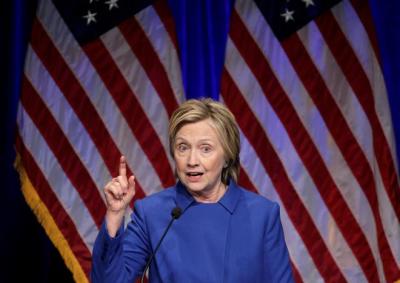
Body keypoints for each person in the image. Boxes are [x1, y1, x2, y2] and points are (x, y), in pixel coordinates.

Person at [91, 98, 294, 282]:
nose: (192, 161)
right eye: (183, 147)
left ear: (227, 157)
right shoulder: (152, 213)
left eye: (205, 149)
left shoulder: (262, 215)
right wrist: (115, 214)